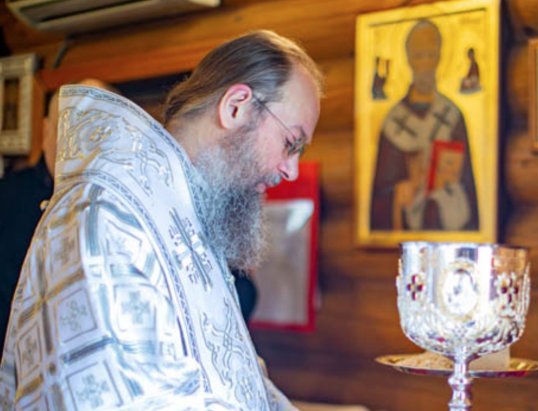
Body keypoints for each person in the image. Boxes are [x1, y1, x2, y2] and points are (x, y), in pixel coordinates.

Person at [0, 30, 322, 410]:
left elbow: (238, 377)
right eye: (291, 142)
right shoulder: (108, 213)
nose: (290, 169)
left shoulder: (185, 215)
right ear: (236, 106)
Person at [0, 78, 113, 349]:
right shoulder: (6, 196)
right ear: (46, 129)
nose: (78, 138)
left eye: (92, 127)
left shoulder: (120, 208)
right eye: (69, 123)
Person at [370, 20, 479, 231]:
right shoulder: (394, 121)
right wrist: (398, 192)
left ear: (440, 57)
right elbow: (381, 191)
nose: (426, 64)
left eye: (431, 55)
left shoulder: (452, 116)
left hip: (446, 215)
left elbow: (468, 185)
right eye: (419, 56)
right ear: (409, 60)